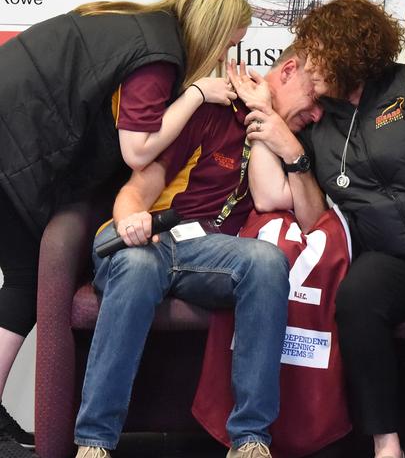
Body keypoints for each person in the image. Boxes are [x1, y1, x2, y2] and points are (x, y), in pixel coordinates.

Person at [231, 0, 405, 458]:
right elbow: (268, 196)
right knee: (357, 299)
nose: (309, 63)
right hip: (392, 255)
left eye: (318, 53)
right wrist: (268, 115)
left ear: (347, 52)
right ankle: (387, 446)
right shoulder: (321, 116)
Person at [0, 0, 250, 456]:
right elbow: (137, 151)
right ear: (211, 28)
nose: (225, 59)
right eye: (227, 45)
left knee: (24, 279)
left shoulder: (139, 23)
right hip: (10, 141)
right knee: (26, 280)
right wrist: (199, 94)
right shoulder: (158, 55)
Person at [73, 46, 323, 458]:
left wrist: (284, 140)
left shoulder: (290, 138)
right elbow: (136, 191)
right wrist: (131, 221)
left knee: (265, 261)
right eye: (314, 98)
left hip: (207, 254)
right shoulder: (211, 111)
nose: (317, 114)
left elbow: (305, 213)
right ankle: (95, 443)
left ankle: (250, 441)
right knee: (136, 266)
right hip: (147, 238)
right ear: (289, 71)